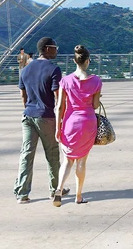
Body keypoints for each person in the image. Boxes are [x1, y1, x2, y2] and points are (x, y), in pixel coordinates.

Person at [14, 36, 67, 204]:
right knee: (52, 153)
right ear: (47, 49)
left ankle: (22, 193)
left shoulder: (26, 69)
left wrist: (28, 108)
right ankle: (55, 189)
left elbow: (23, 94)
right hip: (46, 116)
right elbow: (58, 99)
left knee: (26, 153)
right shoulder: (54, 70)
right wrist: (61, 120)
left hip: (28, 115)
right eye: (55, 47)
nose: (57, 50)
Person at [53, 44, 102, 206]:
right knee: (82, 161)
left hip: (70, 123)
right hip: (88, 123)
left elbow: (60, 106)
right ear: (87, 61)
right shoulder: (96, 81)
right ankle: (78, 196)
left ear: (75, 61)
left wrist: (57, 128)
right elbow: (95, 106)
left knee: (67, 160)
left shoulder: (65, 81)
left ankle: (59, 189)